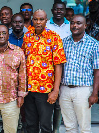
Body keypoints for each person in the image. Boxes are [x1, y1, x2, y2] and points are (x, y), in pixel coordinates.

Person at [22, 9, 66, 133]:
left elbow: (58, 65)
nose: (38, 22)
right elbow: (23, 60)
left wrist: (55, 90)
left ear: (46, 20)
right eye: (35, 19)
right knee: (31, 125)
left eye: (41, 19)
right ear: (32, 20)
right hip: (29, 89)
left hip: (45, 90)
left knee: (46, 126)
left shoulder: (54, 37)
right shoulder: (27, 37)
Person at [60, 15, 99, 133]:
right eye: (72, 23)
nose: (75, 26)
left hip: (83, 91)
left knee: (84, 128)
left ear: (85, 26)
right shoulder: (63, 42)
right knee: (69, 127)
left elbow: (97, 71)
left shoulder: (94, 44)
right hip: (65, 89)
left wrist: (94, 93)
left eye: (78, 23)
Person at [46, 2, 71, 133]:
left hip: (67, 65)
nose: (58, 11)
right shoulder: (46, 25)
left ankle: (55, 129)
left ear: (65, 11)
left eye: (61, 9)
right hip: (48, 67)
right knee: (48, 99)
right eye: (56, 9)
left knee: (59, 101)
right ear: (52, 10)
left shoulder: (70, 25)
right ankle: (46, 127)